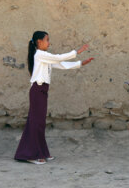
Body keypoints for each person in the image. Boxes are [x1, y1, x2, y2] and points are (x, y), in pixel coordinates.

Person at [14, 31, 94, 165]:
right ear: (39, 42)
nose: (49, 43)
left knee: (40, 122)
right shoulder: (40, 54)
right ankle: (31, 155)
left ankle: (42, 152)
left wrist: (80, 63)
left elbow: (61, 65)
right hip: (37, 90)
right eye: (47, 40)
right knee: (36, 123)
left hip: (42, 91)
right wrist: (76, 52)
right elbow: (59, 58)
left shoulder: (44, 57)